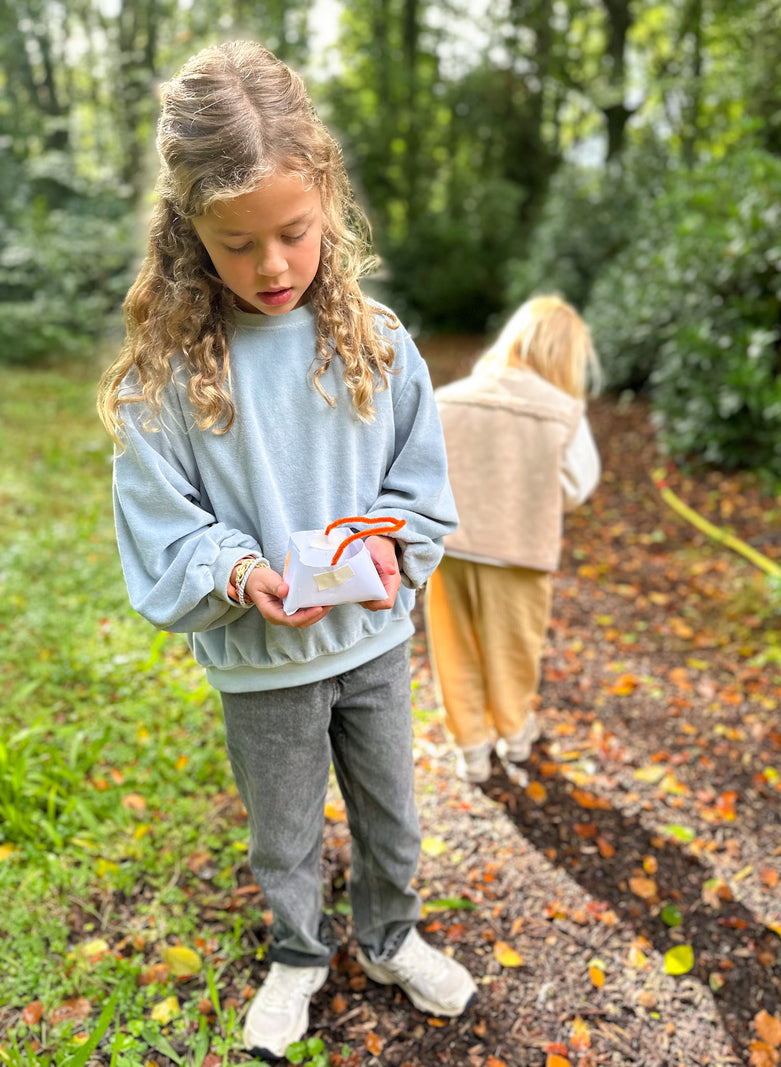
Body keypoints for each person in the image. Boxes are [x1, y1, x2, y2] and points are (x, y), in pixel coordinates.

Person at [97, 40, 476, 1061]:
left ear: (325, 207)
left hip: (372, 643)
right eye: (236, 244)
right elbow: (163, 518)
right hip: (263, 663)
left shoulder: (377, 342)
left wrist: (399, 547)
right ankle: (298, 954)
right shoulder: (170, 378)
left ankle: (392, 934)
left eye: (294, 234)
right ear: (190, 235)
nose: (270, 266)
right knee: (284, 832)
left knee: (393, 812)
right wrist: (239, 573)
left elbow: (419, 483)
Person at [425, 294, 602, 784]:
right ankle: (515, 735)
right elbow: (577, 484)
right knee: (513, 651)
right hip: (519, 553)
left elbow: (425, 470)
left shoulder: (452, 397)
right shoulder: (562, 411)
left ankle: (471, 750)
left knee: (454, 647)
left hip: (452, 549)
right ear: (566, 356)